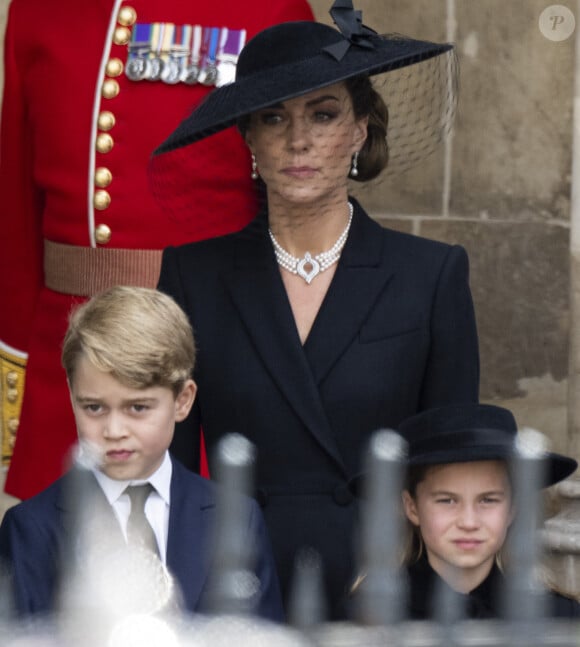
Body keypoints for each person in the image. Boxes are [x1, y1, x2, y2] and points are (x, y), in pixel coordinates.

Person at [153, 0, 480, 618]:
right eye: (274, 117)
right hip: (238, 586)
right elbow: (169, 466)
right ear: (249, 135)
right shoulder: (193, 275)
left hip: (383, 590)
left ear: (359, 129)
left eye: (323, 114)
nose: (298, 140)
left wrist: (399, 571)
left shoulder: (430, 275)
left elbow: (452, 468)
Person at [0, 0, 314, 500]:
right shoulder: (39, 13)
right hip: (64, 373)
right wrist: (14, 369)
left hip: (206, 361)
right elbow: (15, 208)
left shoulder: (268, 9)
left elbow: (297, 204)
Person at [0, 286, 283, 620]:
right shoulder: (30, 528)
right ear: (71, 394)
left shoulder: (236, 518)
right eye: (94, 407)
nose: (114, 430)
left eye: (137, 407)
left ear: (183, 400)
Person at [398, 403, 580, 619]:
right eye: (447, 500)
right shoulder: (366, 619)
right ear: (412, 507)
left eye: (487, 500)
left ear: (513, 507)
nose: (469, 522)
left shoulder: (558, 618)